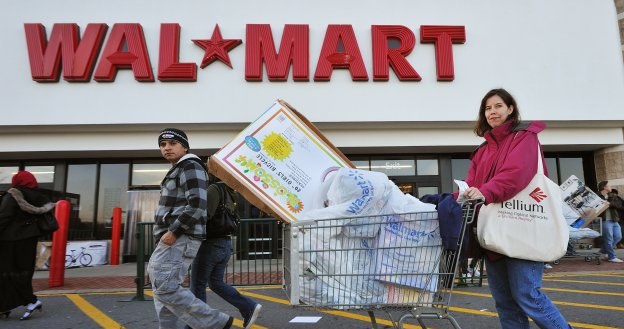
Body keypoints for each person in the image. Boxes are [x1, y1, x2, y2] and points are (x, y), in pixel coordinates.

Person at [460, 88, 572, 329]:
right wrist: (457, 196)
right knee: (504, 302)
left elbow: (515, 174)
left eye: (498, 106)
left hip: (522, 225)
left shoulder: (524, 137)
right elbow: (472, 183)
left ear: (510, 109)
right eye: (488, 108)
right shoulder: (482, 150)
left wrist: (486, 192)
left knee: (527, 296)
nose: (492, 112)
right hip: (493, 232)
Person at [147, 128, 233, 329]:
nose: (167, 148)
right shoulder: (179, 168)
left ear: (184, 147)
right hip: (172, 238)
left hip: (179, 237)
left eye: (172, 143)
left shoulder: (190, 166)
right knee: (163, 291)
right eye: (162, 145)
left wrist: (173, 232)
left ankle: (216, 322)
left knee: (165, 288)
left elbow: (197, 204)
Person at [186, 174, 262, 329]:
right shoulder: (229, 190)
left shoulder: (214, 189)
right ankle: (248, 307)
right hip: (224, 244)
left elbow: (204, 217)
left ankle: (197, 325)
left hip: (210, 245)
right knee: (215, 283)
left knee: (197, 286)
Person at [0, 171, 55, 320]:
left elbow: (3, 217)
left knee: (6, 271)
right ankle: (5, 304)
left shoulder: (14, 195)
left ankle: (31, 301)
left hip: (10, 240)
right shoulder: (40, 197)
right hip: (29, 239)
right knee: (23, 271)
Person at [597, 181, 623, 262]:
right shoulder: (597, 196)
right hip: (605, 220)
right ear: (604, 187)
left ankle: (604, 251)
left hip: (614, 219)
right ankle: (612, 257)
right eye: (609, 186)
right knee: (609, 239)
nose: (611, 187)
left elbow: (619, 205)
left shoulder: (612, 195)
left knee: (618, 237)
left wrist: (609, 203)